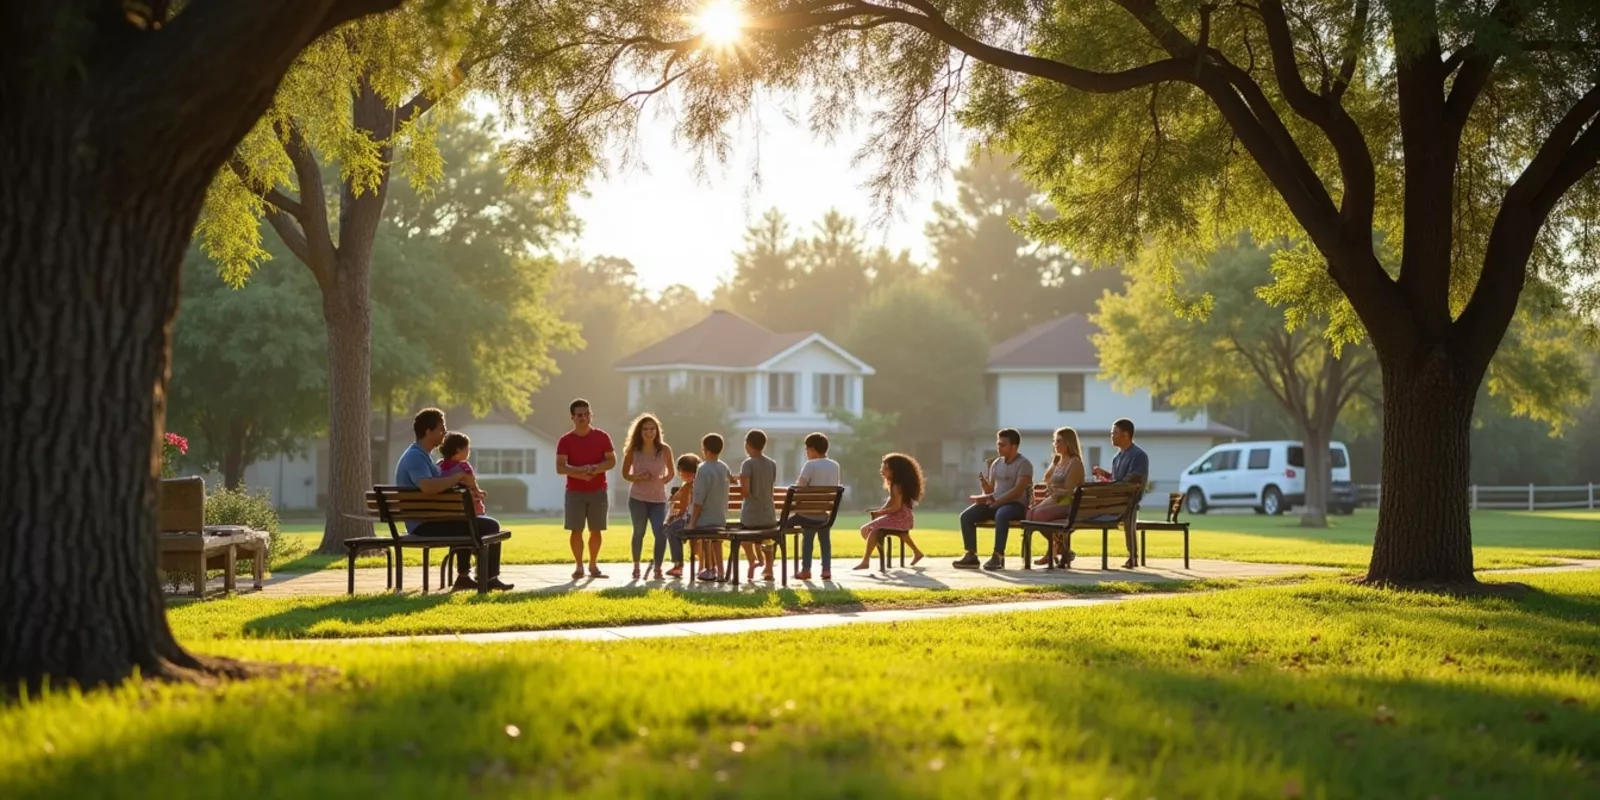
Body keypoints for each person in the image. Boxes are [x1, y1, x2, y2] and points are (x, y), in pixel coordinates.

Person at [394, 408, 511, 592]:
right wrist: (458, 477)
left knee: (467, 522)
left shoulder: (424, 456)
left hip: (430, 520)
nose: (445, 432)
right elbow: (428, 487)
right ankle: (489, 578)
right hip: (425, 525)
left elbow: (434, 486)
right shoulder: (415, 457)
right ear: (428, 431)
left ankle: (466, 577)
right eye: (441, 428)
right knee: (490, 526)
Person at [953, 428, 1034, 571]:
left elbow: (1017, 491)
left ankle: (997, 555)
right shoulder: (996, 463)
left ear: (1014, 446)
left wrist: (998, 501)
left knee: (1001, 514)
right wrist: (984, 489)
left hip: (1016, 506)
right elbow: (991, 491)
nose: (999, 447)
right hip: (996, 504)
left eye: (1002, 444)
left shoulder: (1024, 464)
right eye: (998, 444)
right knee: (966, 516)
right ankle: (971, 555)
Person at [556, 398, 616, 581]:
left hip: (598, 490)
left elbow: (611, 461)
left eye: (586, 414)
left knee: (596, 529)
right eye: (579, 415)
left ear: (591, 415)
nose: (583, 418)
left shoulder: (602, 437)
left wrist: (594, 469)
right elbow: (560, 467)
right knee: (576, 529)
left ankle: (593, 564)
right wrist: (579, 473)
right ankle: (579, 566)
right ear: (572, 417)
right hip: (574, 492)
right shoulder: (565, 440)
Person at [1092, 417, 1150, 569]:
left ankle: (1133, 556)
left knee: (1129, 513)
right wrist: (1104, 475)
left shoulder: (1138, 456)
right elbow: (1116, 479)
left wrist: (1112, 487)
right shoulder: (1117, 457)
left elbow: (1131, 481)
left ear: (1125, 435)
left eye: (1114, 433)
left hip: (1129, 500)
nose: (1111, 436)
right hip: (1115, 499)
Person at [621, 413, 674, 581]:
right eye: (645, 429)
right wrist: (637, 477)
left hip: (658, 499)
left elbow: (671, 472)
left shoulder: (665, 450)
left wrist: (664, 480)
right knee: (639, 532)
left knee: (660, 532)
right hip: (638, 498)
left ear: (657, 431)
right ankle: (636, 566)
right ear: (640, 431)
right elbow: (625, 474)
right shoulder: (633, 450)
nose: (649, 432)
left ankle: (658, 568)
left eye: (652, 429)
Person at [853, 453, 926, 570]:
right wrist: (880, 511)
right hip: (903, 518)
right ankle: (916, 552)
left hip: (899, 518)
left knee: (869, 530)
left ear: (896, 471)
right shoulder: (895, 485)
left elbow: (896, 507)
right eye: (882, 467)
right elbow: (890, 502)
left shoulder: (896, 486)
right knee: (869, 530)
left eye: (885, 468)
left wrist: (880, 513)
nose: (882, 471)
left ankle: (866, 560)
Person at [1028, 427, 1086, 566]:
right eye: (1054, 441)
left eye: (1059, 441)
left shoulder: (1075, 462)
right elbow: (1046, 478)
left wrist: (1055, 490)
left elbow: (1069, 489)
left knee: (1039, 516)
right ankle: (1060, 547)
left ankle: (1054, 549)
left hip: (1068, 503)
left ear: (1068, 443)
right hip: (1055, 499)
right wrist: (1053, 463)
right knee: (1030, 515)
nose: (1055, 444)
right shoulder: (1059, 461)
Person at [792, 432, 841, 582]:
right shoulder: (834, 466)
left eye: (807, 449)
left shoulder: (810, 465)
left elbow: (799, 488)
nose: (806, 452)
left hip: (807, 514)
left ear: (812, 449)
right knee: (824, 540)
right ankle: (826, 570)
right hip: (824, 514)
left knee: (806, 536)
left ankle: (805, 569)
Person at [737, 429, 780, 582]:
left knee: (742, 538)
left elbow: (746, 492)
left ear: (747, 445)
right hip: (769, 515)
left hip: (751, 516)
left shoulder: (747, 464)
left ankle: (753, 560)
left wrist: (739, 482)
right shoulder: (772, 464)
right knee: (768, 538)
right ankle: (768, 569)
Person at [689, 433, 733, 582]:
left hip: (706, 519)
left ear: (704, 449)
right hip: (720, 518)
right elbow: (732, 480)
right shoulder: (723, 467)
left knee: (702, 532)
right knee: (715, 538)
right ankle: (719, 571)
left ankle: (709, 569)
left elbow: (698, 501)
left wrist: (691, 523)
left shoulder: (702, 469)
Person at [660, 453, 702, 578]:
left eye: (680, 472)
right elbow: (677, 501)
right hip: (705, 519)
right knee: (673, 528)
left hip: (693, 520)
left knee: (670, 529)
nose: (680, 475)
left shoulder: (689, 486)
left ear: (683, 471)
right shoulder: (698, 484)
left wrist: (673, 517)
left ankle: (678, 565)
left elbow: (683, 509)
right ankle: (700, 565)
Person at [437, 432, 487, 517]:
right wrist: (479, 492)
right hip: (464, 512)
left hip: (444, 510)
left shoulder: (438, 466)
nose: (469, 451)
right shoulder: (464, 467)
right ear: (458, 450)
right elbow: (472, 484)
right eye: (467, 448)